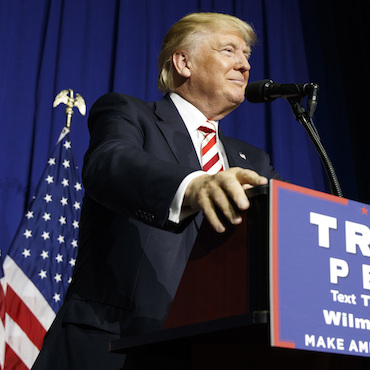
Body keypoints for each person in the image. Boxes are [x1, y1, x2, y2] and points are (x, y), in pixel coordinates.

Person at [32, 12, 280, 369]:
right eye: (230, 50)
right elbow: (110, 165)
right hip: (117, 345)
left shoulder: (254, 159)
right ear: (183, 62)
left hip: (218, 348)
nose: (244, 66)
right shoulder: (129, 113)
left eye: (247, 57)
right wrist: (195, 185)